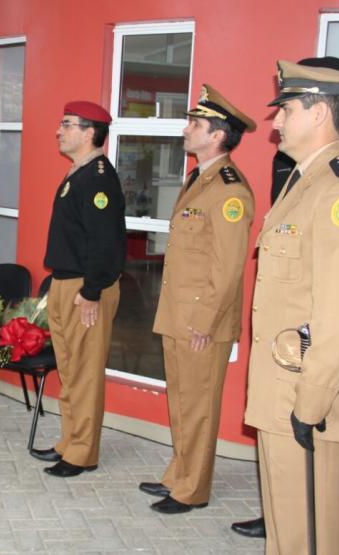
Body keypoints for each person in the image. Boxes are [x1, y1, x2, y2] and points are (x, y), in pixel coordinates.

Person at [233, 56, 339, 540]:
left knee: (310, 537)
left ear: (320, 112)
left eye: (286, 109)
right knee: (288, 534)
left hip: (309, 396)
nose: (276, 120)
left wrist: (311, 405)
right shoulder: (308, 179)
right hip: (286, 389)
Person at [138, 85, 257, 514]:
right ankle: (178, 473)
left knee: (199, 406)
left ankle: (193, 490)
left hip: (200, 322)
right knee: (182, 401)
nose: (186, 129)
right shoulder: (199, 179)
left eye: (196, 124)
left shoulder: (229, 190)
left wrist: (205, 321)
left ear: (217, 136)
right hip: (179, 315)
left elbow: (228, 268)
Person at [29, 101, 126, 478]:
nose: (59, 130)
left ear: (90, 132)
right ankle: (70, 440)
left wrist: (91, 291)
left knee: (84, 372)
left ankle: (83, 452)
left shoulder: (98, 177)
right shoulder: (80, 172)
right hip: (67, 282)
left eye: (66, 124)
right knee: (70, 369)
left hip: (86, 288)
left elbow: (106, 242)